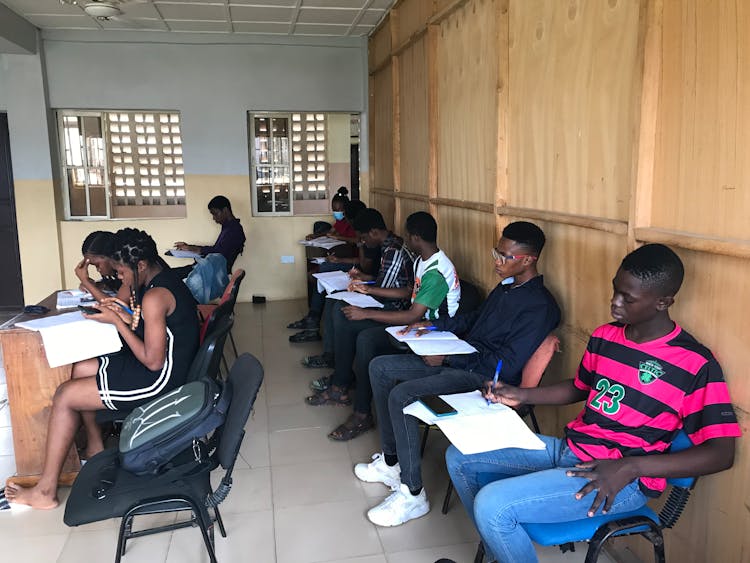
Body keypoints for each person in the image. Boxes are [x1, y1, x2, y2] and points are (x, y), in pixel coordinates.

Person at [443, 244, 740, 563]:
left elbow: (721, 454)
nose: (615, 302)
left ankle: (500, 538)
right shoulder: (605, 337)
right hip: (571, 451)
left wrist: (633, 466)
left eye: (628, 297)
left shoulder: (694, 363)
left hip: (622, 477)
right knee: (459, 456)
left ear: (663, 302)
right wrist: (520, 394)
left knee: (493, 504)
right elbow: (580, 388)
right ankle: (501, 550)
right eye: (615, 290)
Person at [354, 221, 561, 527]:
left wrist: (448, 356)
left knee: (402, 394)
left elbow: (506, 364)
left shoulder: (539, 306)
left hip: (485, 379)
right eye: (497, 252)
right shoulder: (507, 288)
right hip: (462, 359)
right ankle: (391, 462)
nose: (497, 261)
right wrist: (434, 326)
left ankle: (413, 496)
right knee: (381, 367)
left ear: (528, 259)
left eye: (505, 256)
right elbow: (474, 320)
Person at [5, 228, 200, 510]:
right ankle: (93, 443)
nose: (119, 277)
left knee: (65, 395)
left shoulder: (155, 296)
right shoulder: (160, 281)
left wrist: (117, 322)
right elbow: (151, 332)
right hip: (161, 366)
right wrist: (124, 315)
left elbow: (153, 361)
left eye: (121, 272)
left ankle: (45, 491)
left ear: (141, 265)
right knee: (81, 366)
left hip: (158, 379)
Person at [307, 211, 461, 443]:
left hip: (433, 332)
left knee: (366, 338)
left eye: (409, 236)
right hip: (417, 324)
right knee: (353, 326)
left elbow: (412, 314)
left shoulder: (436, 271)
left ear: (416, 237)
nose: (406, 240)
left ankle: (361, 413)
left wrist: (365, 312)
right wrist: (369, 290)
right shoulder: (423, 259)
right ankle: (343, 388)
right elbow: (409, 292)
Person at [300, 208, 415, 372]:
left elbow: (383, 292)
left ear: (374, 232)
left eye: (363, 238)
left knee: (341, 311)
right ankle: (331, 357)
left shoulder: (392, 250)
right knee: (335, 300)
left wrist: (364, 289)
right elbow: (386, 281)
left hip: (394, 306)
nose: (362, 242)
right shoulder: (388, 244)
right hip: (387, 297)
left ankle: (339, 372)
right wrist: (363, 278)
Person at [288, 197, 372, 343]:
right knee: (322, 272)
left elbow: (364, 266)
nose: (340, 215)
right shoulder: (360, 233)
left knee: (324, 271)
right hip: (355, 265)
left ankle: (313, 319)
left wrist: (344, 258)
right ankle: (313, 318)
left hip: (360, 272)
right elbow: (334, 232)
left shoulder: (369, 238)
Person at [174, 195, 246, 274]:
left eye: (215, 214)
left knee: (167, 276)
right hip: (210, 269)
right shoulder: (228, 227)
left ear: (225, 210)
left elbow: (219, 253)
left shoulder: (234, 230)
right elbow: (217, 249)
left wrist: (192, 248)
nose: (214, 218)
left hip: (213, 273)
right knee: (168, 274)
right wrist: (189, 247)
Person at [75, 231, 131, 303]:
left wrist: (86, 282)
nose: (98, 270)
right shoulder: (118, 276)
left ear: (110, 256)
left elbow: (117, 306)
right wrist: (97, 286)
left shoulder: (131, 272)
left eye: (97, 265)